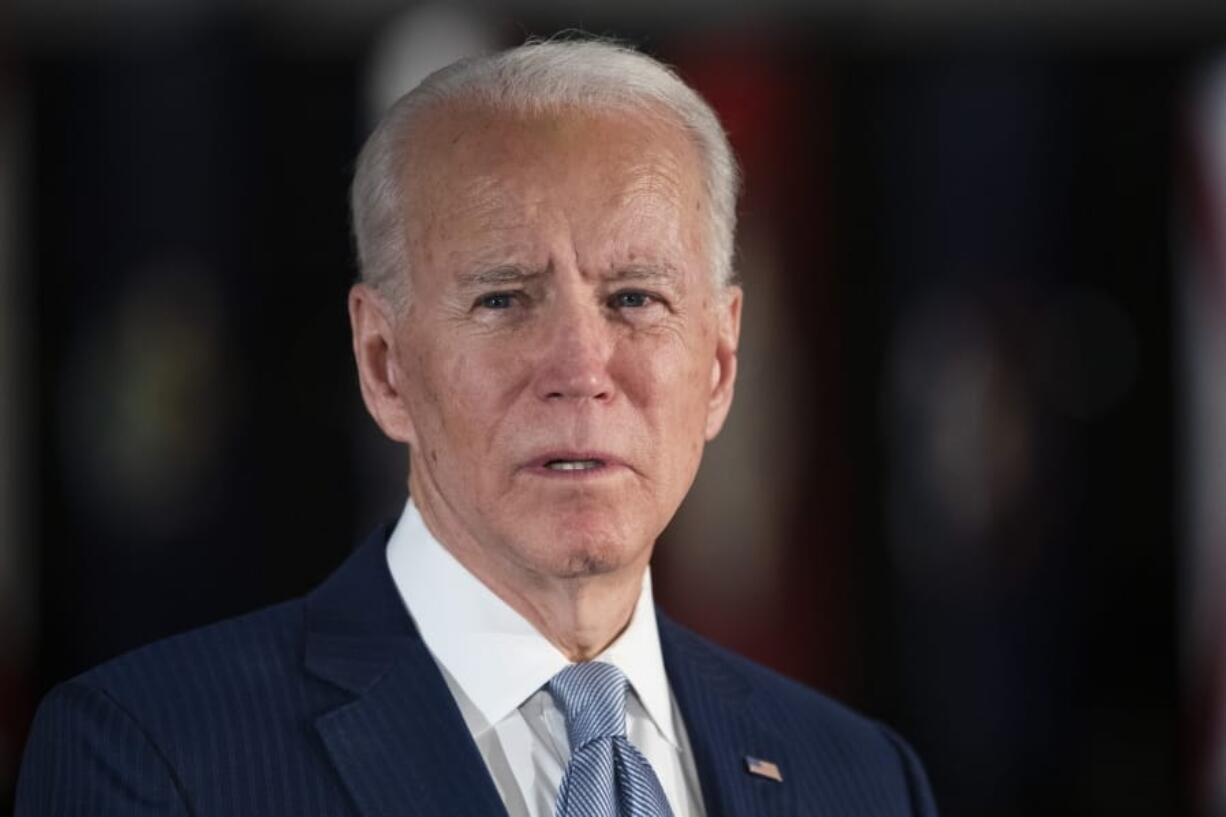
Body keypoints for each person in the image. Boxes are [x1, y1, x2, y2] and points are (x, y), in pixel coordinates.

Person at [14, 38, 937, 816]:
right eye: (504, 298)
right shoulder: (151, 756)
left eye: (634, 297)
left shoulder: (860, 779)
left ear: (721, 367)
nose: (581, 370)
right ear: (385, 366)